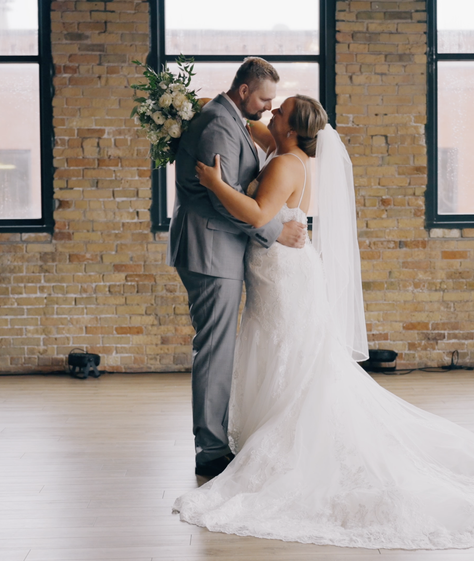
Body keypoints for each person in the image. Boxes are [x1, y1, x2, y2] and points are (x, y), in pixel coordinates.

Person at [171, 94, 474, 550]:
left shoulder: (283, 163)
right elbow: (242, 121)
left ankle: (292, 443)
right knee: (284, 354)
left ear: (292, 130)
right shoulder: (284, 147)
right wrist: (198, 110)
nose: (271, 111)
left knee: (291, 355)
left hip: (282, 274)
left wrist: (215, 184)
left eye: (282, 110)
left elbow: (257, 213)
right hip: (279, 271)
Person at [168, 58, 308, 479]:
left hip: (219, 248)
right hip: (209, 248)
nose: (269, 107)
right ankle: (210, 450)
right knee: (215, 348)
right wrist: (273, 232)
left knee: (219, 346)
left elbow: (268, 144)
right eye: (265, 99)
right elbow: (219, 198)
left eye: (275, 104)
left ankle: (217, 439)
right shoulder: (218, 123)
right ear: (245, 91)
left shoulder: (230, 117)